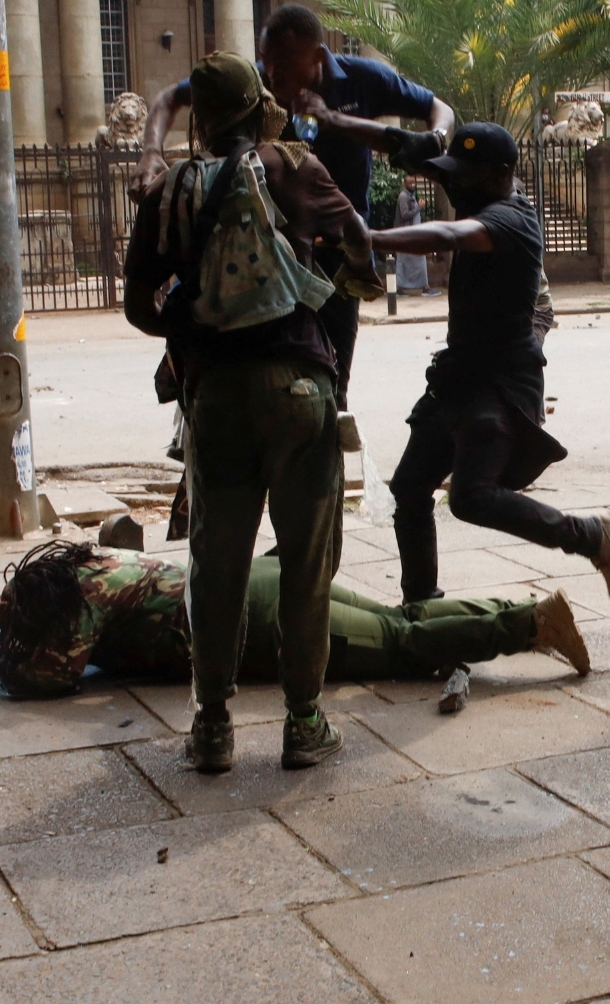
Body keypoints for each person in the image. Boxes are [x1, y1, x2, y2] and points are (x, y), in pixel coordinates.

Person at [123, 52, 377, 772]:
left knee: (217, 562)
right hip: (300, 388)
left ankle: (211, 727)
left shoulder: (171, 190)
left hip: (216, 401)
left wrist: (190, 325)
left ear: (201, 121)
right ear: (258, 106)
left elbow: (138, 307)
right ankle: (303, 723)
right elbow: (357, 239)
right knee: (304, 563)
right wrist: (351, 279)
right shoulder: (294, 166)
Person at [131, 4, 455, 405]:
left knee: (331, 381)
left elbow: (439, 110)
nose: (272, 76)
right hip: (268, 252)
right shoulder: (255, 83)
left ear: (317, 57)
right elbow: (167, 97)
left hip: (334, 257)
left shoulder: (362, 80)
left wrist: (436, 139)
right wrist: (150, 152)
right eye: (266, 64)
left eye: (282, 66)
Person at [373, 123, 610, 607]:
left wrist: (370, 236)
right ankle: (422, 605)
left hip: (499, 385)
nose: (459, 184)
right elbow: (419, 160)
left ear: (502, 174)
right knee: (409, 488)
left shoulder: (513, 219)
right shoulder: (479, 187)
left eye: (468, 176)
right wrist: (344, 123)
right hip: (457, 377)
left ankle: (592, 536)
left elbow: (453, 233)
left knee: (471, 497)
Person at [0, 542, 591, 703]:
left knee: (402, 644)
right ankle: (524, 616)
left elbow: (48, 680)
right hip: (263, 579)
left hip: (263, 621)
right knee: (396, 618)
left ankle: (530, 625)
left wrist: (10, 641)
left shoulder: (81, 603)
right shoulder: (101, 563)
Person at [392, 174, 441, 297]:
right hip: (406, 234)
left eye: (414, 183)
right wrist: (419, 207)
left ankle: (423, 287)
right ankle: (418, 288)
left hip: (412, 233)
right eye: (410, 183)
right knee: (407, 260)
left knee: (414, 260)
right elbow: (404, 215)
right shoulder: (403, 196)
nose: (413, 185)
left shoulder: (410, 196)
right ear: (405, 184)